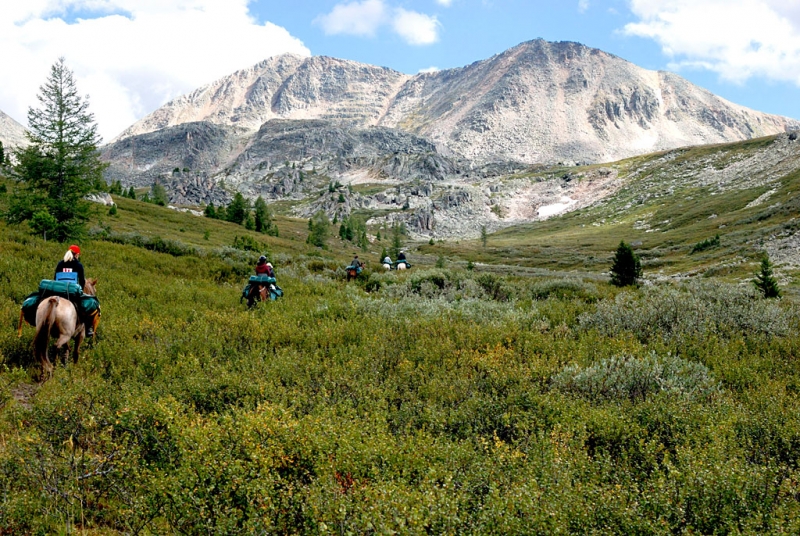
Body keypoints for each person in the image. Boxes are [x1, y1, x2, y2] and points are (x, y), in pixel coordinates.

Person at [54, 245, 93, 336]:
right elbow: (82, 281)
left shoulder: (60, 263)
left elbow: (55, 278)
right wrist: (81, 290)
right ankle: (88, 329)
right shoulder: (78, 265)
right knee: (85, 307)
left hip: (58, 291)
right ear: (77, 255)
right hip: (71, 292)